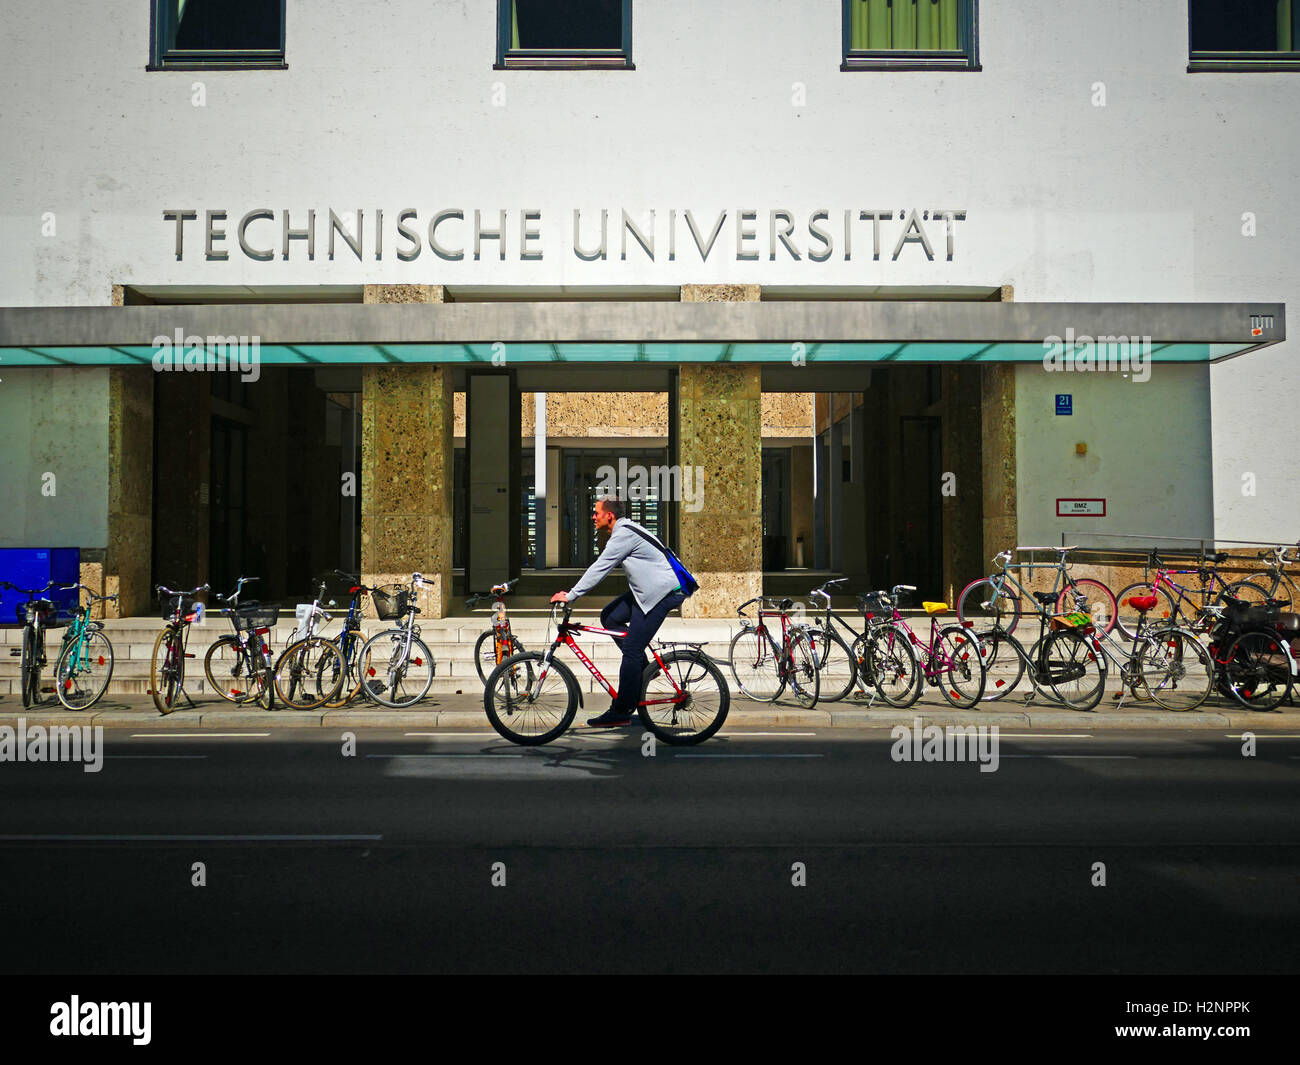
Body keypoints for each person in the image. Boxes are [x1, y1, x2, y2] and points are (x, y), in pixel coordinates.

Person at [550, 497, 688, 727]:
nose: (593, 517)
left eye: (596, 513)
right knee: (610, 617)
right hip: (647, 591)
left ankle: (622, 710)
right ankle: (644, 669)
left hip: (664, 592)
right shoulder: (623, 530)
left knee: (632, 650)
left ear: (609, 516)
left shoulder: (623, 534)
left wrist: (571, 595)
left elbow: (600, 568)